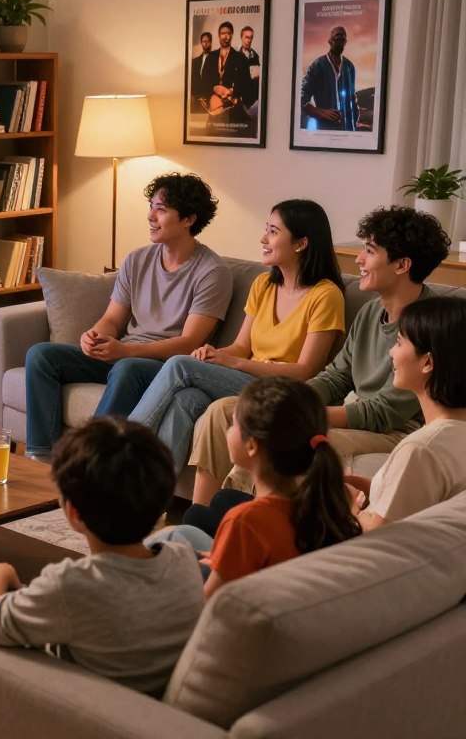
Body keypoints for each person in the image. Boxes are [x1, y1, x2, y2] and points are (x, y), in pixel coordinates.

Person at [190, 205, 451, 506]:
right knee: (222, 410)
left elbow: (383, 412)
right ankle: (201, 516)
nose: (358, 259)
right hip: (356, 412)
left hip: (394, 429)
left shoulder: (429, 325)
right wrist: (289, 401)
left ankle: (240, 520)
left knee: (287, 437)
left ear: (402, 264)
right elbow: (337, 376)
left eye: (369, 251)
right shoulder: (370, 312)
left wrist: (300, 416)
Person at [0, 417, 205, 695]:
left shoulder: (70, 585)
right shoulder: (183, 559)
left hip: (61, 703)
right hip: (134, 703)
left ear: (74, 514)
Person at [127, 199, 345, 475]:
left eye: (274, 232)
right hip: (250, 380)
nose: (263, 238)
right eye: (266, 229)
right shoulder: (263, 284)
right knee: (188, 399)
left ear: (301, 244)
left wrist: (233, 363)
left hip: (285, 391)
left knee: (179, 365)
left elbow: (306, 371)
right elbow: (242, 346)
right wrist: (214, 355)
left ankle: (122, 447)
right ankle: (151, 494)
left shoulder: (326, 296)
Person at [24, 172, 233, 461]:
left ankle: (87, 459)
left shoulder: (212, 272)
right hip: (125, 353)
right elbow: (112, 319)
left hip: (163, 367)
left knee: (127, 368)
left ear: (188, 219)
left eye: (161, 209)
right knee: (42, 356)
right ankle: (43, 456)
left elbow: (188, 343)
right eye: (151, 206)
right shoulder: (137, 259)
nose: (150, 215)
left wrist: (126, 350)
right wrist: (95, 336)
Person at [150, 378, 362, 598]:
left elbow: (209, 604)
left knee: (172, 542)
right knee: (184, 535)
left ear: (252, 445)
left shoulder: (244, 521)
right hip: (274, 596)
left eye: (233, 424)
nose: (228, 430)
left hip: (239, 611)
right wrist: (221, 558)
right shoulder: (323, 505)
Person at [354, 296, 466, 531]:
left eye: (399, 342)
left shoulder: (420, 449)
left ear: (427, 362)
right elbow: (415, 495)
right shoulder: (451, 435)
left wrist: (349, 508)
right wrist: (361, 485)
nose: (391, 353)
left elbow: (378, 537)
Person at [300, 26, 359, 131]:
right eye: (337, 35)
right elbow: (300, 97)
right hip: (324, 130)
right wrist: (322, 113)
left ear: (345, 42)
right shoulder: (318, 66)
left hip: (347, 131)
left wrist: (353, 123)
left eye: (343, 37)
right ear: (330, 41)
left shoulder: (349, 67)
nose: (340, 38)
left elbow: (352, 98)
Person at [209, 21, 252, 120]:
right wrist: (215, 88)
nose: (225, 36)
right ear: (219, 35)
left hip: (233, 107)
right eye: (222, 33)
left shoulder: (240, 58)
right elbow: (204, 81)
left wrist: (233, 92)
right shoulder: (211, 57)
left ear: (231, 35)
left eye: (228, 33)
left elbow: (247, 85)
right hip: (214, 106)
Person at [189, 31, 215, 112]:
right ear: (201, 43)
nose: (206, 43)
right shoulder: (195, 61)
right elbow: (193, 80)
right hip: (197, 98)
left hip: (210, 98)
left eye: (208, 41)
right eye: (204, 41)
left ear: (211, 42)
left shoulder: (216, 59)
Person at [239, 26, 260, 115]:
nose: (249, 40)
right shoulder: (236, 56)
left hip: (253, 100)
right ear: (241, 37)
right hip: (240, 100)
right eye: (246, 37)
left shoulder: (255, 56)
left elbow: (257, 78)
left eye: (251, 37)